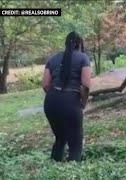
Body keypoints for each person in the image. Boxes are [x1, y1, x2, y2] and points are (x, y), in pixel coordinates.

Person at [42, 31, 91, 162]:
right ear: (79, 44)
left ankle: (54, 166)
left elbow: (45, 84)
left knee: (60, 137)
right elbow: (85, 85)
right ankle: (72, 172)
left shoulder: (52, 59)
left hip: (51, 101)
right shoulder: (83, 58)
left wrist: (57, 97)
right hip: (71, 101)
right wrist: (83, 103)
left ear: (65, 43)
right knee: (75, 141)